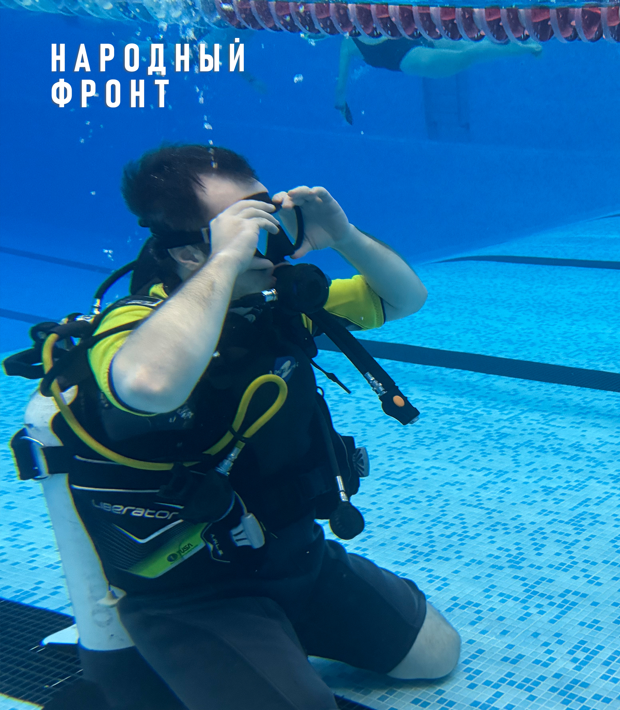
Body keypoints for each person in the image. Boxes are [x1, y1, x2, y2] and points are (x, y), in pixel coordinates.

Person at [36, 144, 459, 710]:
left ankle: (280, 635)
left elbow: (406, 297)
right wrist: (227, 259)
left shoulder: (274, 304)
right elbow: (148, 385)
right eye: (241, 224)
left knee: (437, 655)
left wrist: (345, 234)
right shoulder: (136, 323)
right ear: (189, 251)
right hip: (193, 593)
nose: (264, 237)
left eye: (265, 213)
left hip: (295, 557)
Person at [334, 35, 541, 124]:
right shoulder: (375, 18)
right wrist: (341, 105)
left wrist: (342, 109)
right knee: (467, 48)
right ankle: (524, 44)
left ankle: (527, 47)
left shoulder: (347, 44)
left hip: (409, 59)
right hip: (417, 38)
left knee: (466, 56)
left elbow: (340, 91)